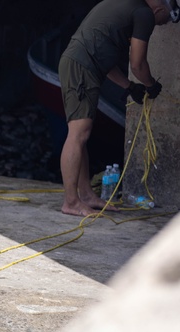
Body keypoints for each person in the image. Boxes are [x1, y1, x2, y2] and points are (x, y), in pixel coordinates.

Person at [58, 0, 173, 217]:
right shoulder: (144, 14)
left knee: (81, 135)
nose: (159, 25)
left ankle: (86, 194)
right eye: (163, 20)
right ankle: (71, 202)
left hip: (78, 64)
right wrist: (151, 85)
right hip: (82, 68)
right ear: (159, 10)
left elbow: (105, 59)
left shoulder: (123, 6)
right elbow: (138, 64)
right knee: (78, 134)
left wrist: (130, 87)